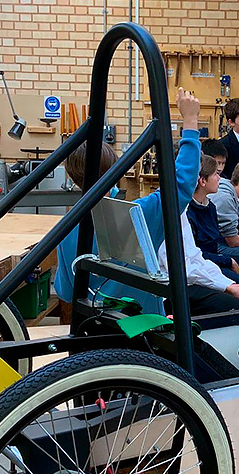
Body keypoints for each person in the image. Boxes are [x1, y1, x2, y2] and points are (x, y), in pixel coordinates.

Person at [54, 87, 203, 314]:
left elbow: (65, 292)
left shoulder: (66, 227)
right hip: (142, 329)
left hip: (95, 326)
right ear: (115, 169)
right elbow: (181, 185)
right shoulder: (138, 214)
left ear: (73, 178)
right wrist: (190, 123)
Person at [158, 210, 239, 315]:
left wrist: (229, 285)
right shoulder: (166, 210)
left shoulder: (183, 210)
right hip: (169, 289)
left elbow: (196, 257)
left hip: (191, 277)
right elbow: (180, 269)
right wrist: (226, 287)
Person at [187, 155, 239, 289]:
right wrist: (227, 260)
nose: (219, 178)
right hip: (200, 266)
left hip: (214, 259)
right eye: (215, 174)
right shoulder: (188, 212)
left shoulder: (210, 207)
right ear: (203, 181)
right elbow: (194, 254)